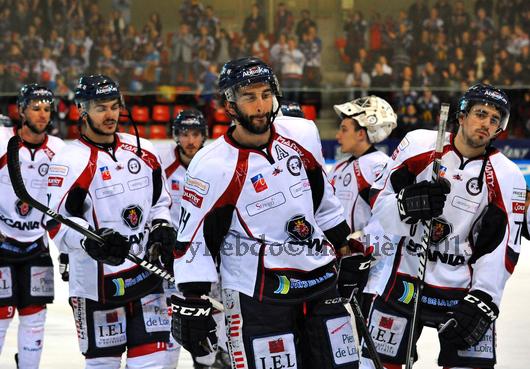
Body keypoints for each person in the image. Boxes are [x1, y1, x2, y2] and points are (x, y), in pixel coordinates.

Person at [171, 57, 372, 369]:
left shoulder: (302, 134)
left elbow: (323, 203)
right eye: (249, 97)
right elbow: (192, 240)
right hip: (258, 295)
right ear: (230, 105)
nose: (261, 105)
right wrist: (192, 300)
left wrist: (346, 251)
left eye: (266, 94)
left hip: (320, 282)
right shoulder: (212, 165)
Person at [364, 84, 526, 368]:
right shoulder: (418, 145)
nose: (486, 124)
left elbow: (504, 246)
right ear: (461, 116)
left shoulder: (507, 175)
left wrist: (485, 297)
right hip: (404, 281)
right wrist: (405, 205)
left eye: (494, 119)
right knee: (375, 365)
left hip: (462, 292)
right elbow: (379, 202)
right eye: (480, 114)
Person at [47, 74, 174, 369]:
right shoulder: (70, 160)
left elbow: (160, 202)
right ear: (82, 109)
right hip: (96, 288)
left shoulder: (144, 151)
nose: (110, 115)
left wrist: (161, 226)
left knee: (154, 363)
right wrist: (90, 240)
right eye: (101, 107)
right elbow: (56, 224)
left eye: (114, 106)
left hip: (146, 278)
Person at [158, 109, 229, 369]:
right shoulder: (164, 167)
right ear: (176, 136)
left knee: (216, 310)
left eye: (196, 134)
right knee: (174, 321)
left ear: (204, 136)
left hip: (209, 255)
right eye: (185, 134)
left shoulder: (214, 165)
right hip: (173, 258)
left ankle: (212, 358)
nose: (190, 140)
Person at [0, 84, 65, 368]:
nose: (41, 114)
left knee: (35, 317)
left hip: (37, 245)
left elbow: (66, 203)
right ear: (21, 110)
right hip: (2, 244)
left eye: (46, 109)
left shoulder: (59, 150)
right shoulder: (3, 141)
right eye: (35, 108)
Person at [329, 95, 397, 317]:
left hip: (373, 275)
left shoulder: (380, 166)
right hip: (341, 271)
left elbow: (389, 217)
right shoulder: (338, 169)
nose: (338, 136)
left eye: (344, 129)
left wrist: (359, 245)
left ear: (361, 133)